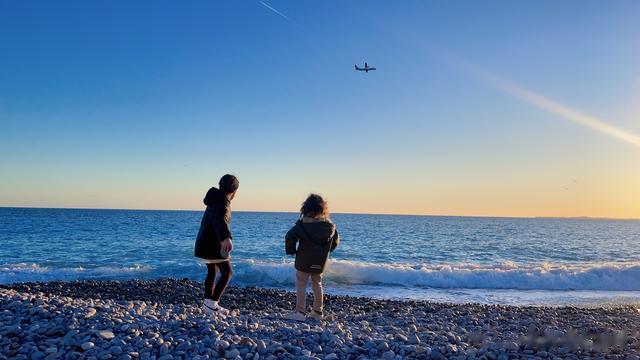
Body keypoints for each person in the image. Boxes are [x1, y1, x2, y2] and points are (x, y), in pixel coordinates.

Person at [284, 194, 340, 321]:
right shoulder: (330, 226)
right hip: (320, 262)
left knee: (301, 284)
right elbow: (335, 242)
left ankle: (300, 312)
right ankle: (318, 312)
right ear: (323, 209)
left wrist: (291, 250)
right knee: (318, 284)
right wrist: (326, 251)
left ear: (305, 208)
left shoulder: (302, 225)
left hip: (304, 261)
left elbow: (289, 237)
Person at [194, 174, 239, 316]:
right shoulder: (223, 203)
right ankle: (213, 303)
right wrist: (227, 237)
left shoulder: (213, 200)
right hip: (213, 245)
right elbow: (220, 221)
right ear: (234, 191)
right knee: (228, 272)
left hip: (203, 243)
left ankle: (209, 305)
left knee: (212, 271)